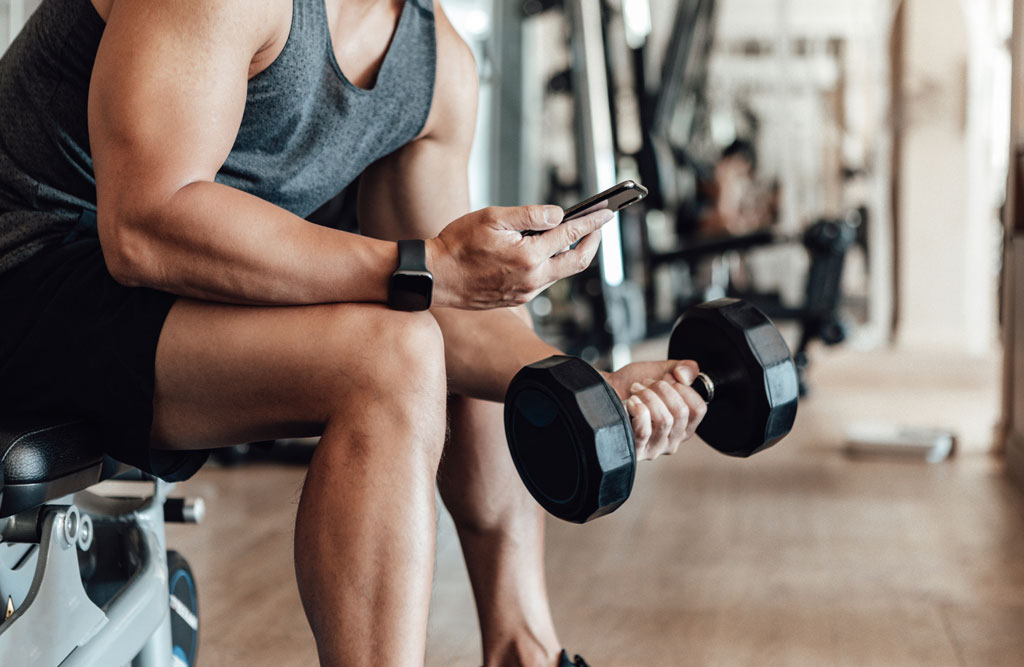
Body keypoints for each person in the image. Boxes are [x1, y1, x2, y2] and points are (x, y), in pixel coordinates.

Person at [0, 1, 708, 665]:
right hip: (28, 273)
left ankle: (524, 645)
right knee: (394, 353)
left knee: (434, 321)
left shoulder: (435, 67)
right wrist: (429, 267)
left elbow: (457, 299)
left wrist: (583, 380)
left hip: (152, 305)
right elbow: (146, 227)